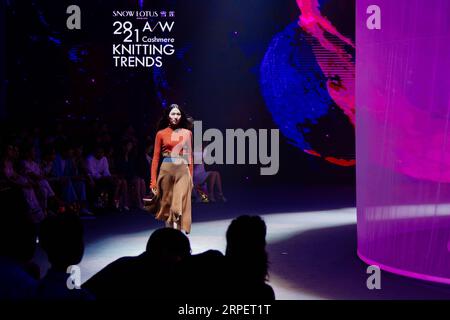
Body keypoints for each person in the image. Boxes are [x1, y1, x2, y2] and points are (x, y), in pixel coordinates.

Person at [150, 104, 193, 234]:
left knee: (178, 207)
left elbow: (189, 156)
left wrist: (191, 177)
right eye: (173, 114)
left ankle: (178, 237)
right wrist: (152, 181)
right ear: (168, 116)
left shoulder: (187, 133)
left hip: (182, 172)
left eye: (178, 114)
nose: (176, 116)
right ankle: (168, 237)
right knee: (167, 206)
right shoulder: (161, 134)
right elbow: (155, 158)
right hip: (166, 170)